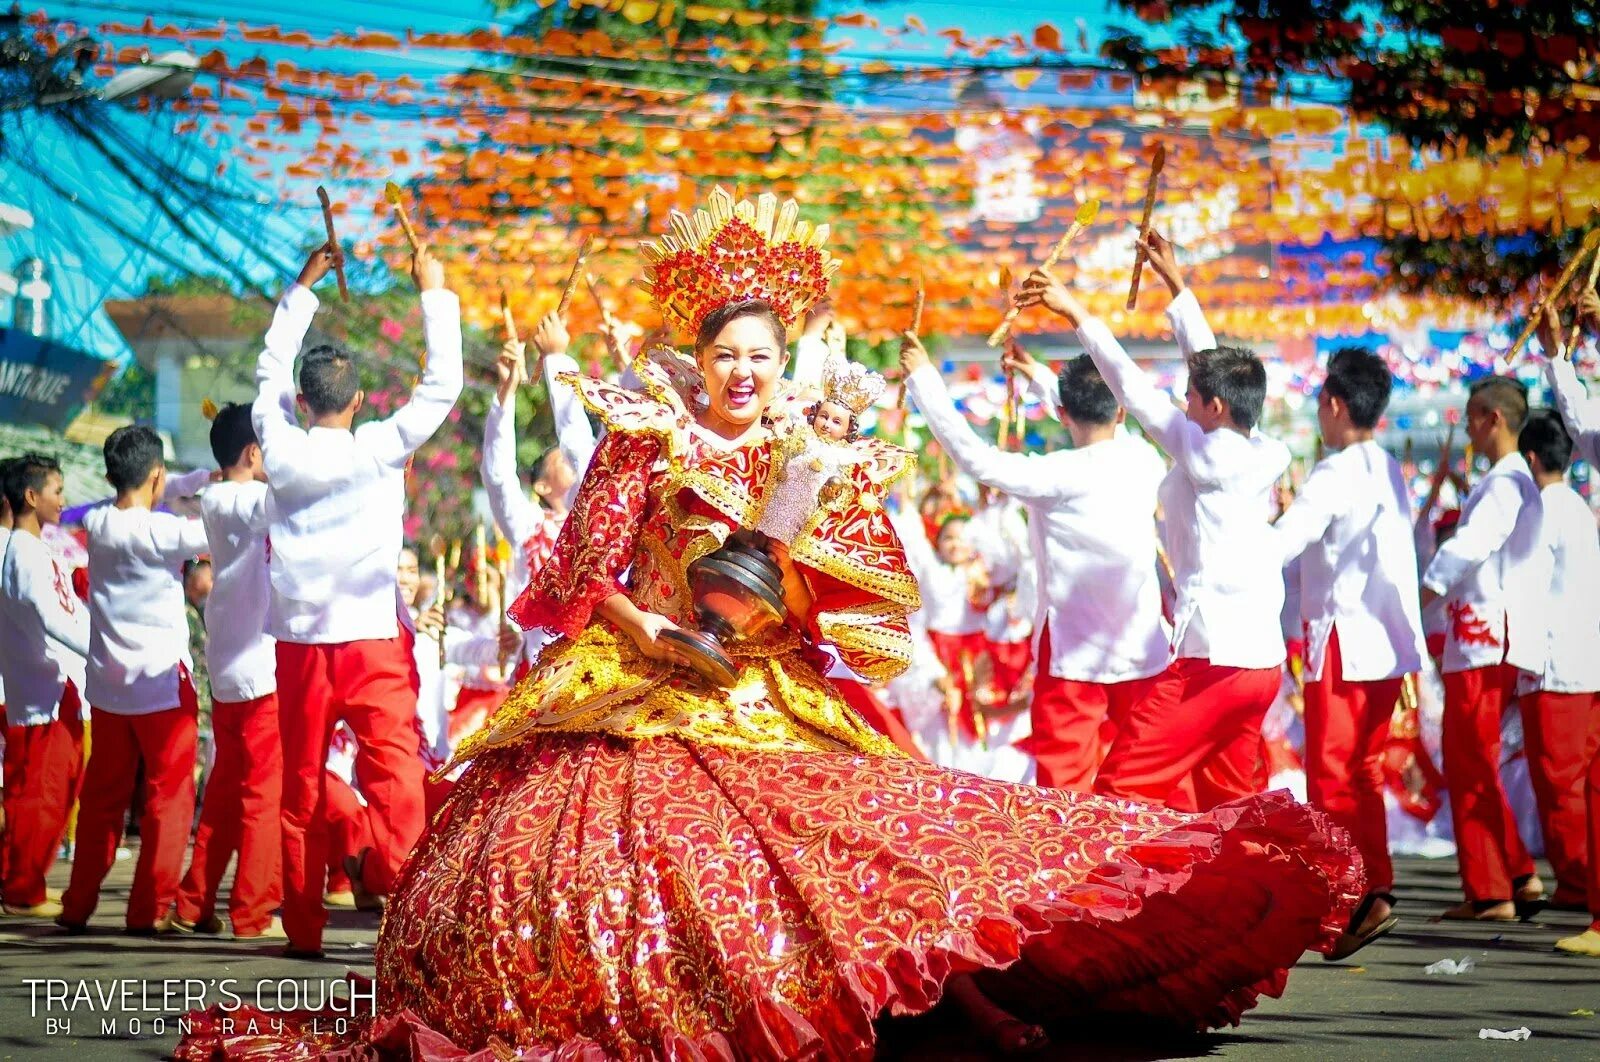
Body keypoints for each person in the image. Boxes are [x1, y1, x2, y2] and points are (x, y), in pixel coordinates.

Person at [177, 187, 1360, 1060]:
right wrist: (647, 629)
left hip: (769, 688)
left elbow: (867, 598)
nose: (742, 373)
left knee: (882, 844)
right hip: (630, 677)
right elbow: (581, 569)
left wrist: (778, 594)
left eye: (761, 356)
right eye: (725, 355)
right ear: (693, 356)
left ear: (782, 357)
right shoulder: (642, 432)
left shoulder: (814, 450)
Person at [1017, 231, 1290, 811]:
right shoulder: (1252, 443)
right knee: (1232, 798)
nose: (1183, 403)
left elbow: (1132, 390)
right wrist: (1177, 285)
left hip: (1213, 660)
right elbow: (1211, 376)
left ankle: (1107, 902)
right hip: (1259, 659)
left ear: (1213, 410)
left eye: (1191, 398)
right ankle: (1284, 900)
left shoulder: (1207, 455)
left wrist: (1076, 313)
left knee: (1122, 786)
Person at [253, 241, 462, 957]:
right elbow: (441, 387)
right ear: (362, 400)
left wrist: (301, 287)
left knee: (301, 789)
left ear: (303, 401)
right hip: (371, 639)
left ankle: (304, 927)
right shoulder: (379, 446)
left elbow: (266, 372)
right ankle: (406, 916)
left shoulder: (278, 445)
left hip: (301, 646)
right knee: (397, 778)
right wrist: (432, 289)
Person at [902, 339, 1170, 791]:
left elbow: (974, 458)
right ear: (1120, 411)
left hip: (1072, 657)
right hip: (1144, 650)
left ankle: (1075, 861)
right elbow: (1097, 412)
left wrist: (924, 378)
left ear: (1063, 415)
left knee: (1065, 790)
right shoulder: (1144, 458)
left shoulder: (1054, 474)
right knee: (1149, 785)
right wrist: (1039, 376)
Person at [1270, 347, 1428, 957]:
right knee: (1359, 772)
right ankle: (1374, 888)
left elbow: (1287, 542)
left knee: (1334, 776)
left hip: (1342, 637)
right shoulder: (1387, 466)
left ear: (1335, 405)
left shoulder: (1334, 473)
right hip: (1386, 642)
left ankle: (1346, 903)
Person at [60, 427, 211, 934]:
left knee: (101, 799)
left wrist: (168, 482)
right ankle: (148, 911)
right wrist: (203, 482)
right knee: (168, 800)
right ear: (156, 476)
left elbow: (124, 498)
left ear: (109, 476)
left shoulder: (98, 523)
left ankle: (77, 904)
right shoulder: (166, 532)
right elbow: (221, 522)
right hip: (162, 688)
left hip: (107, 687)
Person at [1420, 376, 1547, 920]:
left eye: (1473, 418)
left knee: (1470, 760)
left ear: (1493, 418)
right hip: (1486, 633)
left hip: (1480, 638)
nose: (1468, 429)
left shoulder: (1504, 484)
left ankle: (1491, 888)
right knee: (1476, 759)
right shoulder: (1512, 481)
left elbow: (1469, 548)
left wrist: (1424, 588)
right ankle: (1514, 871)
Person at [173, 403, 285, 940]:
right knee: (262, 794)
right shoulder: (255, 500)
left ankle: (194, 902)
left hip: (227, 664)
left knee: (222, 790)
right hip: (261, 668)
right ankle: (252, 912)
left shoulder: (214, 498)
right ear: (252, 452)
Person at [1515, 411, 1600, 911]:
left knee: (1559, 782)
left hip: (1554, 664)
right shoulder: (1577, 505)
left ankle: (1576, 881)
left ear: (1530, 459)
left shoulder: (1544, 508)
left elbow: (1527, 585)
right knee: (1580, 780)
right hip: (1582, 660)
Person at [0, 453, 90, 918]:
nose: (63, 499)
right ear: (31, 497)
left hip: (57, 688)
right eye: (57, 490)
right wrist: (105, 649)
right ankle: (22, 890)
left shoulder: (37, 548)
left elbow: (67, 610)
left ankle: (26, 882)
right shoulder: (21, 552)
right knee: (39, 795)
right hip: (42, 694)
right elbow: (52, 618)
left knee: (52, 793)